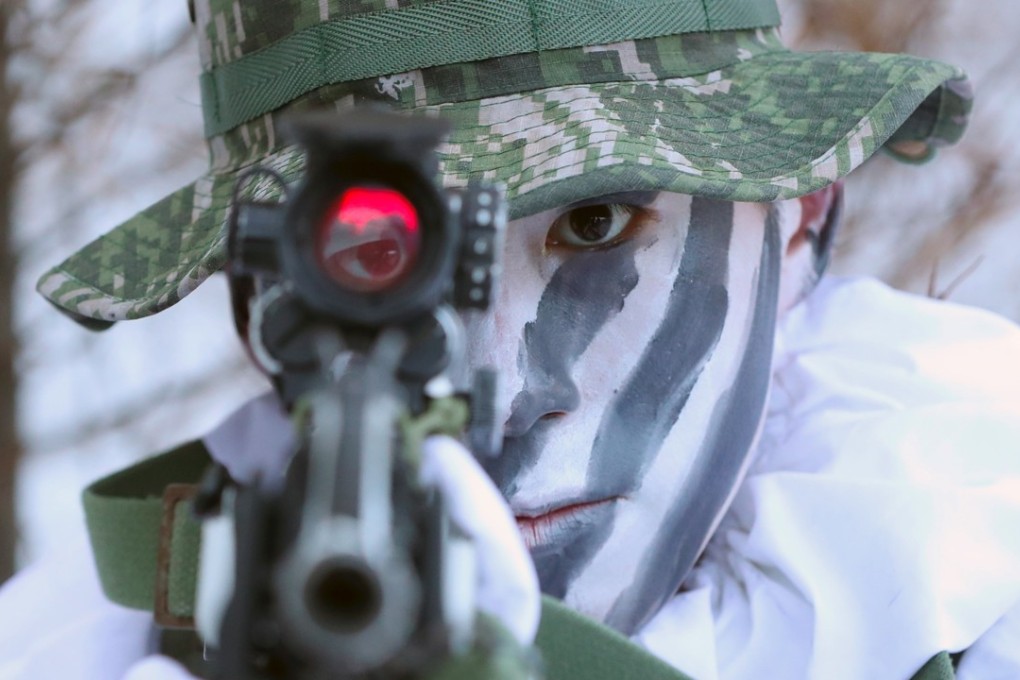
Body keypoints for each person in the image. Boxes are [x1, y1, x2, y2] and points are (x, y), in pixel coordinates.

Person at [6, 0, 1020, 678]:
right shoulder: (62, 648)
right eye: (372, 256)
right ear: (255, 304)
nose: (494, 387)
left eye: (595, 224)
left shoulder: (973, 591)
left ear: (802, 216)